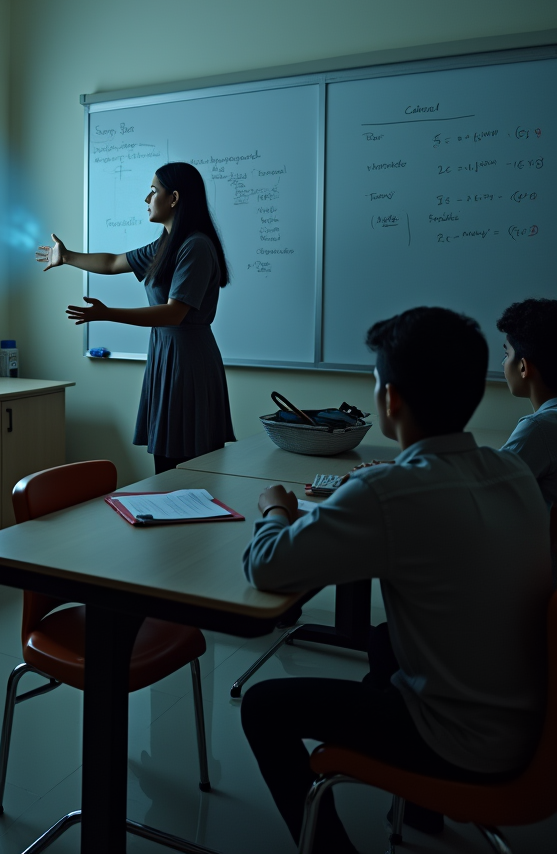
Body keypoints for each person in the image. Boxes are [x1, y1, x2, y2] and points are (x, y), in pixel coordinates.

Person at [238, 307, 551, 854]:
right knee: (383, 643)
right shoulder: (512, 472)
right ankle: (420, 813)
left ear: (390, 399)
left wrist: (275, 509)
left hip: (463, 741)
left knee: (264, 706)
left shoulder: (388, 491)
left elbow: (267, 565)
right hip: (532, 721)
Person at [37, 162, 234, 473]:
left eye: (154, 191)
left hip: (188, 361)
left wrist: (107, 314)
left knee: (188, 466)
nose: (147, 198)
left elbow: (173, 313)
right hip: (166, 354)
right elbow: (114, 262)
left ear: (174, 198)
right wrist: (68, 256)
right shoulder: (167, 244)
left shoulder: (195, 245)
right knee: (168, 462)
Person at [498, 297, 557, 517]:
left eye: (506, 354)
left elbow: (488, 486)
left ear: (523, 367)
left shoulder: (540, 427)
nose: (503, 364)